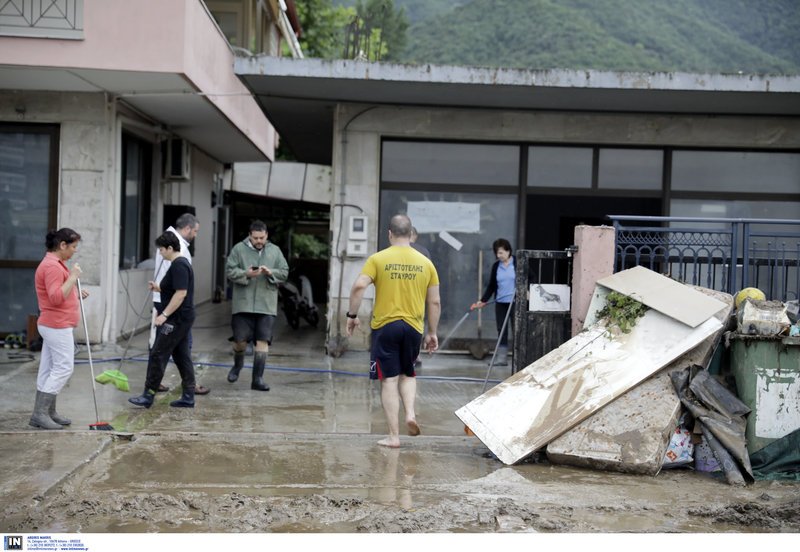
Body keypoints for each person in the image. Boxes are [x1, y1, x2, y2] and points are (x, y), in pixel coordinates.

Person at [346, 214, 440, 448]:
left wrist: (352, 316)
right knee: (408, 373)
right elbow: (435, 302)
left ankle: (394, 436)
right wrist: (432, 332)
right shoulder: (426, 263)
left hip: (385, 327)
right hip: (413, 328)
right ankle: (410, 414)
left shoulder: (378, 259)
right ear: (411, 235)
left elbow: (359, 286)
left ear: (389, 234)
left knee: (388, 380)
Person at [29, 228, 89, 429]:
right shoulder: (53, 267)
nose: (74, 251)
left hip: (53, 323)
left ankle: (48, 412)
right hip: (56, 325)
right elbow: (55, 298)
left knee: (48, 368)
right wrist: (73, 277)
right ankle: (40, 413)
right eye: (73, 247)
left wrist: (75, 293)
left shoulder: (55, 264)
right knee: (64, 367)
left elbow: (56, 294)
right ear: (62, 245)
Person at [129, 232, 197, 409]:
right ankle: (189, 395)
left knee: (158, 353)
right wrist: (159, 288)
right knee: (182, 356)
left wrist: (164, 315)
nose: (160, 253)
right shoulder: (177, 264)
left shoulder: (179, 265)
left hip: (177, 319)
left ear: (170, 248)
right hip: (181, 318)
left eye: (161, 249)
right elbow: (175, 289)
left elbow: (181, 294)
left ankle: (148, 394)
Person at [225, 220, 289, 391]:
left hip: (266, 304)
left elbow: (284, 272)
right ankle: (237, 366)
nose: (259, 241)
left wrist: (271, 272)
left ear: (266, 235)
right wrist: (245, 273)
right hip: (243, 304)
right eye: (255, 238)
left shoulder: (275, 251)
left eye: (262, 237)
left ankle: (257, 379)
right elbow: (229, 270)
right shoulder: (238, 249)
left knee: (263, 341)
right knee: (240, 341)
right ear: (249, 236)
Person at [151, 213, 209, 395]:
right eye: (195, 231)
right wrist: (165, 313)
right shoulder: (176, 249)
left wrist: (159, 289)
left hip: (169, 303)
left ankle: (184, 385)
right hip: (173, 307)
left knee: (169, 346)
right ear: (187, 229)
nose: (196, 235)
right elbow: (180, 290)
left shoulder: (171, 243)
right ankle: (158, 384)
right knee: (168, 347)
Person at [471, 238, 515, 366]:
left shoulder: (518, 262)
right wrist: (482, 301)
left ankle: (519, 358)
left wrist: (528, 291)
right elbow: (491, 286)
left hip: (516, 302)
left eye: (501, 252)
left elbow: (531, 277)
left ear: (508, 251)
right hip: (501, 302)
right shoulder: (496, 266)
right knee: (502, 329)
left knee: (517, 329)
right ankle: (502, 359)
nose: (498, 255)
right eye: (497, 253)